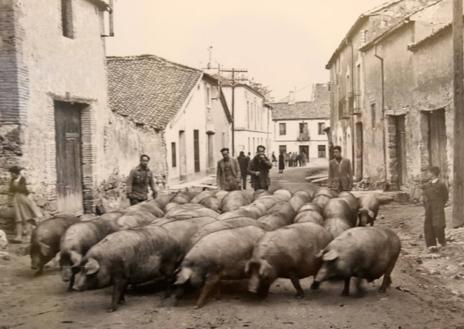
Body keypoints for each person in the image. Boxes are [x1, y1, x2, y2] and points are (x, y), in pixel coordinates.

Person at [8, 166, 43, 243]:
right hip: (16, 199)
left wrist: (16, 184)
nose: (11, 175)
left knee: (27, 217)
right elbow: (11, 189)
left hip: (23, 198)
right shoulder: (13, 180)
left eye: (11, 173)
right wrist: (15, 184)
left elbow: (23, 189)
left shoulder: (22, 179)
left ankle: (29, 236)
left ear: (14, 173)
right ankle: (18, 237)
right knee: (18, 218)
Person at [422, 166, 448, 252]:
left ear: (433, 174)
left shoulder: (441, 184)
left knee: (438, 225)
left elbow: (445, 197)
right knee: (428, 226)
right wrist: (426, 205)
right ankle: (431, 245)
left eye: (429, 172)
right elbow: (424, 196)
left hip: (438, 208)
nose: (427, 174)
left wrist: (440, 205)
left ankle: (442, 242)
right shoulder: (426, 185)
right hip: (429, 208)